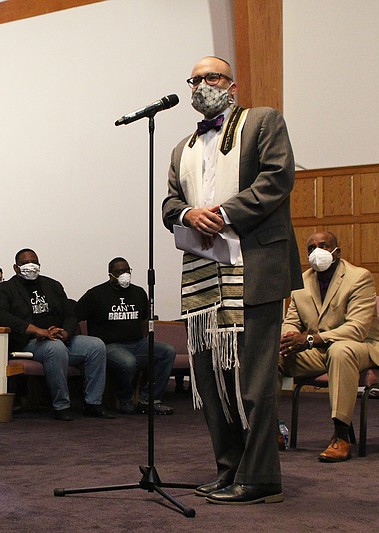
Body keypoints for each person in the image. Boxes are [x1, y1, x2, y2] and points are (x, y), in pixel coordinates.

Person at [161, 56, 301, 505]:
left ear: (233, 85)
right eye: (196, 79)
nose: (203, 84)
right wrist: (186, 214)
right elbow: (169, 202)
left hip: (254, 266)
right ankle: (229, 469)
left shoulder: (263, 122)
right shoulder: (181, 146)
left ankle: (261, 478)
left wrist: (221, 214)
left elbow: (278, 178)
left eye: (212, 77)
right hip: (202, 275)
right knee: (210, 379)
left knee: (252, 380)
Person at [279, 231, 379, 462]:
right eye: (312, 248)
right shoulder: (299, 282)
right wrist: (287, 339)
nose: (317, 252)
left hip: (362, 347)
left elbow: (357, 329)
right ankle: (269, 430)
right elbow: (291, 322)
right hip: (319, 352)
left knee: (340, 350)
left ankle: (341, 436)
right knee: (272, 356)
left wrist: (310, 339)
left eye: (323, 246)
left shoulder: (359, 277)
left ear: (337, 252)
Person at [0, 248, 114, 421]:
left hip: (59, 337)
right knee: (55, 349)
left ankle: (93, 403)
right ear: (16, 268)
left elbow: (71, 314)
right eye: (25, 263)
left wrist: (66, 332)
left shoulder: (52, 285)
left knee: (96, 345)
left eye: (34, 262)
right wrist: (35, 330)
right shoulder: (7, 288)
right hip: (31, 342)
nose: (30, 266)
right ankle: (61, 405)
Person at [75, 257, 176, 415]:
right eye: (119, 272)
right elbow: (75, 316)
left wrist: (144, 339)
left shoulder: (139, 292)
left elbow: (144, 319)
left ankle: (149, 400)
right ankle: (125, 399)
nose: (124, 274)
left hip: (137, 343)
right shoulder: (96, 294)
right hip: (109, 346)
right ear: (110, 274)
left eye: (127, 271)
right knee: (128, 362)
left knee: (167, 351)